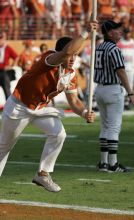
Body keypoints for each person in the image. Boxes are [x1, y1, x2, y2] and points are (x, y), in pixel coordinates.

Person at [0, 19, 98, 192]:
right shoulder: (49, 58)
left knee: (59, 133)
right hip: (19, 107)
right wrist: (85, 32)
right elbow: (67, 51)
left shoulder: (71, 74)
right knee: (4, 148)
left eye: (76, 55)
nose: (72, 58)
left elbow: (74, 101)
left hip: (40, 108)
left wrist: (84, 112)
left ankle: (43, 174)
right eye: (71, 55)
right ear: (61, 52)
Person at [94, 20, 134, 172]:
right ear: (110, 32)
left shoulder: (99, 47)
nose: (120, 32)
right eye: (117, 30)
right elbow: (120, 71)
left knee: (105, 126)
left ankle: (104, 163)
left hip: (99, 89)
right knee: (113, 127)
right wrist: (130, 92)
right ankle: (113, 164)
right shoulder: (114, 49)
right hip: (112, 89)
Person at [118, 27, 134, 109]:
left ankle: (127, 102)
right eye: (125, 32)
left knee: (130, 85)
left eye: (128, 32)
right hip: (122, 68)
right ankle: (123, 101)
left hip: (131, 68)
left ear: (130, 33)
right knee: (122, 85)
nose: (127, 34)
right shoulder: (119, 43)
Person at [0, 31, 18, 100]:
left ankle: (9, 104)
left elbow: (16, 57)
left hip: (4, 72)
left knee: (6, 87)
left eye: (1, 39)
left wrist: (11, 66)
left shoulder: (7, 48)